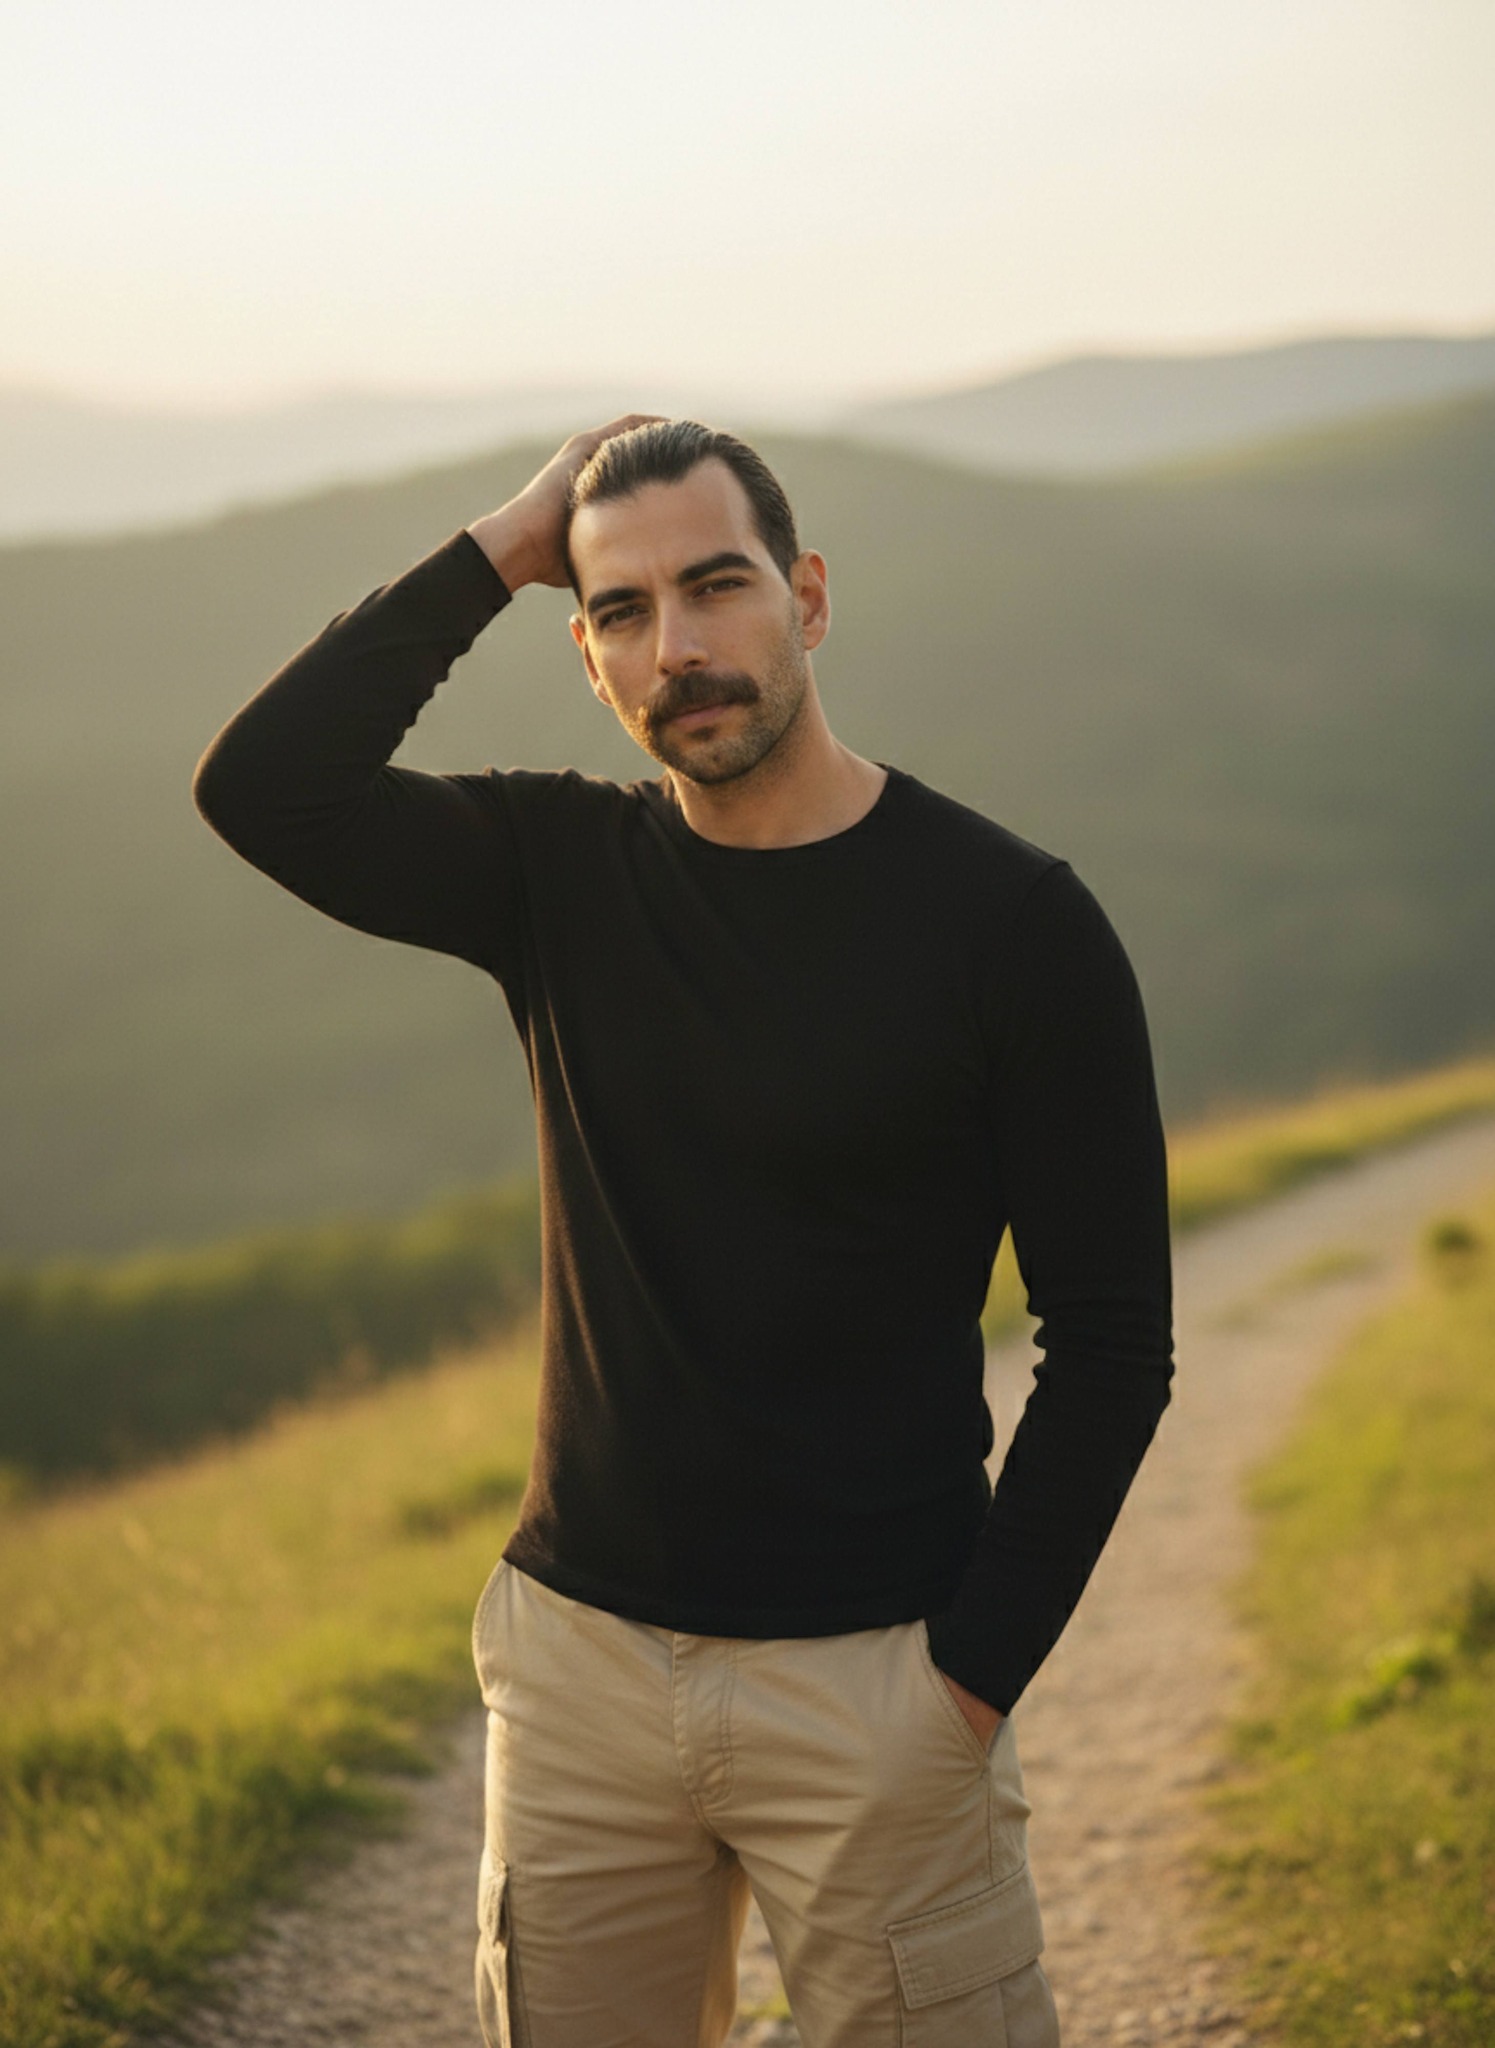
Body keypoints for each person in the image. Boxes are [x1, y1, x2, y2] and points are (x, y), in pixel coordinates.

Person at [192, 414, 1175, 2048]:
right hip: (576, 1672)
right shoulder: (552, 871)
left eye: (718, 589)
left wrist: (966, 1685)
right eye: (626, 614)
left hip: (878, 1682)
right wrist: (503, 547)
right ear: (585, 656)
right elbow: (265, 789)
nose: (683, 647)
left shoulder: (1014, 925)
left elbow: (1114, 1346)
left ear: (807, 598)